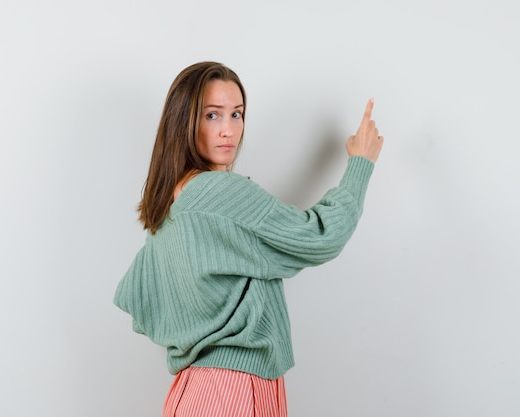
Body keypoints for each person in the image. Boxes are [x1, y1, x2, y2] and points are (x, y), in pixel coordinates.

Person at [114, 61, 383, 417]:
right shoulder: (218, 192)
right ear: (184, 121)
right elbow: (320, 236)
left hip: (192, 392)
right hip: (232, 390)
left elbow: (144, 302)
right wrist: (360, 163)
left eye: (236, 114)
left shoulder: (167, 205)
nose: (228, 130)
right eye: (212, 115)